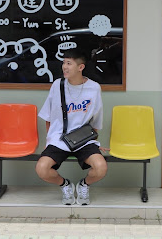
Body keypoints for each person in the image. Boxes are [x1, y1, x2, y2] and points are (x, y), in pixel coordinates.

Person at [35, 48, 108, 205]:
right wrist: (50, 140)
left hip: (83, 139)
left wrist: (95, 142)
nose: (64, 67)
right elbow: (48, 116)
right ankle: (65, 185)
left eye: (69, 63)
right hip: (59, 138)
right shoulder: (57, 85)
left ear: (80, 67)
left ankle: (84, 185)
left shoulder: (94, 88)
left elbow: (96, 119)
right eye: (63, 63)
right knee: (42, 169)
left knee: (101, 168)